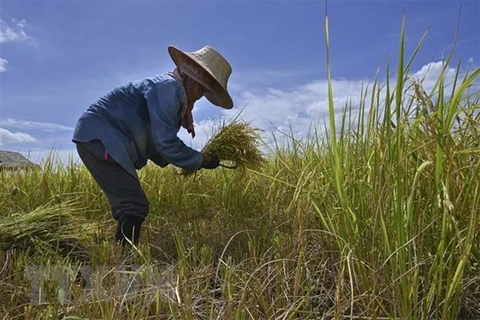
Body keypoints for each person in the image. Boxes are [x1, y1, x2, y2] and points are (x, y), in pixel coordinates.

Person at [72, 45, 234, 246]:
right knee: (133, 204)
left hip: (102, 137)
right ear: (191, 78)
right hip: (102, 137)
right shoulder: (168, 88)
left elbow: (156, 143)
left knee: (131, 203)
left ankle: (121, 256)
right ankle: (124, 261)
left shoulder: (173, 91)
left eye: (205, 91)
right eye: (201, 88)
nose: (200, 96)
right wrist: (202, 160)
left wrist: (192, 160)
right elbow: (166, 144)